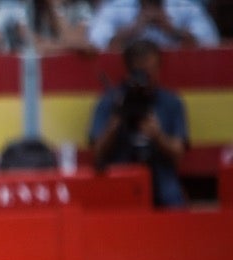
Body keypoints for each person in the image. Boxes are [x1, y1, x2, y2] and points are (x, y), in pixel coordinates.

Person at [89, 37, 190, 206]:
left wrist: (158, 136)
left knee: (173, 200)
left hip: (161, 174)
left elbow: (178, 154)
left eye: (151, 72)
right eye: (142, 74)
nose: (146, 80)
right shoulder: (110, 102)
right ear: (129, 72)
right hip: (120, 175)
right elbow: (97, 154)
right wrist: (115, 123)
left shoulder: (171, 102)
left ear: (159, 69)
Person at [86, 0, 218, 49]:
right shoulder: (116, 7)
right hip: (126, 78)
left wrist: (172, 30)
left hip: (182, 77)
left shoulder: (186, 6)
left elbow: (211, 42)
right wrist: (134, 30)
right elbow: (95, 44)